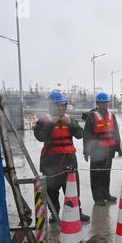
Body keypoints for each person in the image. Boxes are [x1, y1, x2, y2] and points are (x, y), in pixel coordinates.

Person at [34, 90, 90, 222]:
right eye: (58, 105)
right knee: (52, 190)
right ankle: (54, 213)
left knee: (72, 188)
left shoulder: (70, 119)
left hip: (69, 160)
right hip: (50, 162)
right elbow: (40, 137)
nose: (61, 108)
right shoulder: (43, 121)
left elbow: (80, 134)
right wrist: (51, 124)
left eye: (63, 105)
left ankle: (77, 211)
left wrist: (69, 124)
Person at [83, 92, 122, 206]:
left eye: (106, 102)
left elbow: (116, 132)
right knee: (96, 175)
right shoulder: (92, 117)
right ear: (97, 103)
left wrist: (118, 148)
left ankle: (106, 194)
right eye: (101, 103)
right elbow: (87, 135)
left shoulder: (112, 116)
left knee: (106, 173)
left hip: (109, 150)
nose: (104, 105)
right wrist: (86, 152)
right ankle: (98, 198)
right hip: (96, 151)